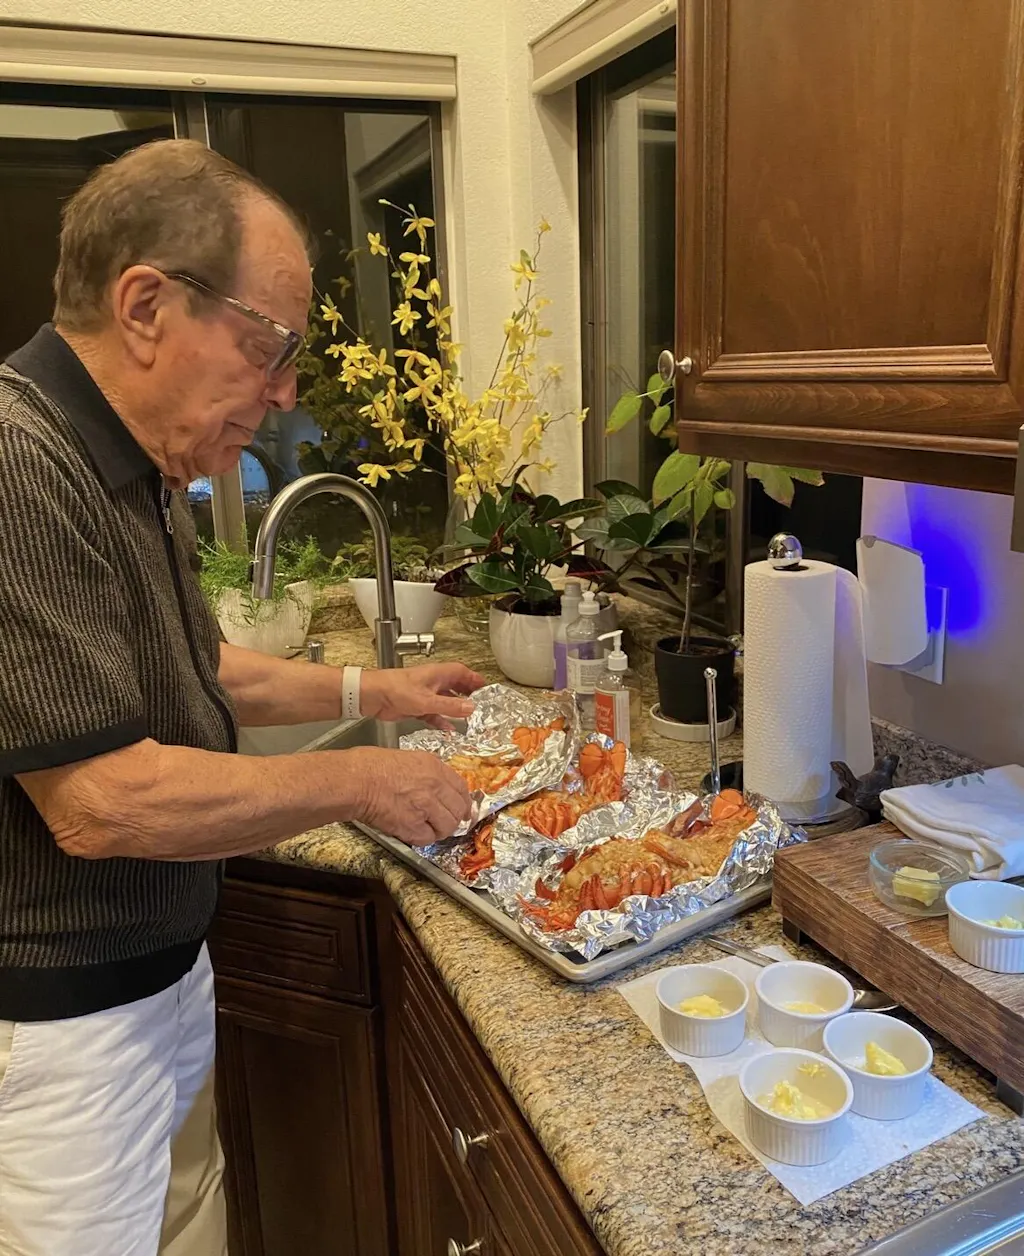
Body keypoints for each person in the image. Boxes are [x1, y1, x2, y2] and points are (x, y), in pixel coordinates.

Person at [0, 138, 481, 1256]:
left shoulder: (134, 461)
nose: (283, 391)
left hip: (158, 981)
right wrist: (359, 774)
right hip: (61, 1029)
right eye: (266, 345)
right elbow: (103, 801)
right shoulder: (20, 466)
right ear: (145, 305)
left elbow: (201, 664)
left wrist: (375, 682)